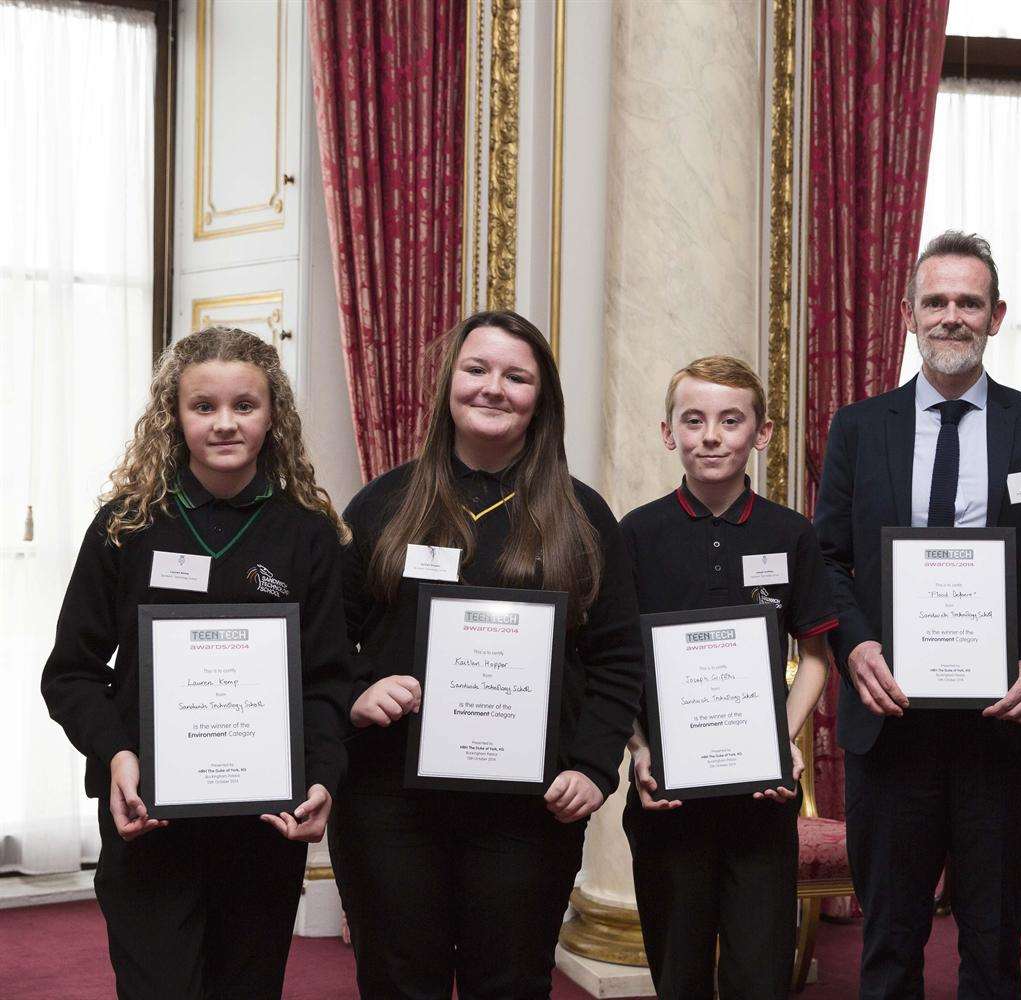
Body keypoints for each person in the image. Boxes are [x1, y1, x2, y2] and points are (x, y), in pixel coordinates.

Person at [813, 231, 1021, 998]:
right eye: (935, 301)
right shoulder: (858, 428)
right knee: (890, 946)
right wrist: (857, 646)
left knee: (994, 948)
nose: (951, 317)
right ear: (909, 315)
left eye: (968, 302)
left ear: (995, 316)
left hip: (999, 733)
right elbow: (827, 562)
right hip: (892, 727)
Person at [331, 309, 644, 999]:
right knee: (397, 982)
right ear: (449, 383)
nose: (493, 388)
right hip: (389, 802)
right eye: (477, 370)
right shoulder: (382, 505)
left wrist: (595, 767)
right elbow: (322, 640)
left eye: (516, 376)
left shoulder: (584, 518)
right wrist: (358, 689)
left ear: (541, 398)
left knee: (508, 983)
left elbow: (620, 658)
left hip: (528, 811)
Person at [40, 326, 352, 999]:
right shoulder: (127, 526)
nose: (224, 423)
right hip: (149, 816)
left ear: (274, 418)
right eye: (202, 406)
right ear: (173, 417)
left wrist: (323, 776)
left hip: (263, 828)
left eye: (245, 405)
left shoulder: (308, 533)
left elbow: (329, 681)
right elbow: (70, 672)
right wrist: (119, 754)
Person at [619, 356, 837, 999]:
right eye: (694, 420)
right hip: (669, 796)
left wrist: (783, 743)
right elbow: (617, 664)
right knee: (678, 973)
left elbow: (817, 658)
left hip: (760, 802)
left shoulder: (792, 534)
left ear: (761, 434)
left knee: (759, 977)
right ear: (669, 434)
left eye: (730, 420)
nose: (711, 435)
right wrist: (640, 751)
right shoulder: (635, 535)